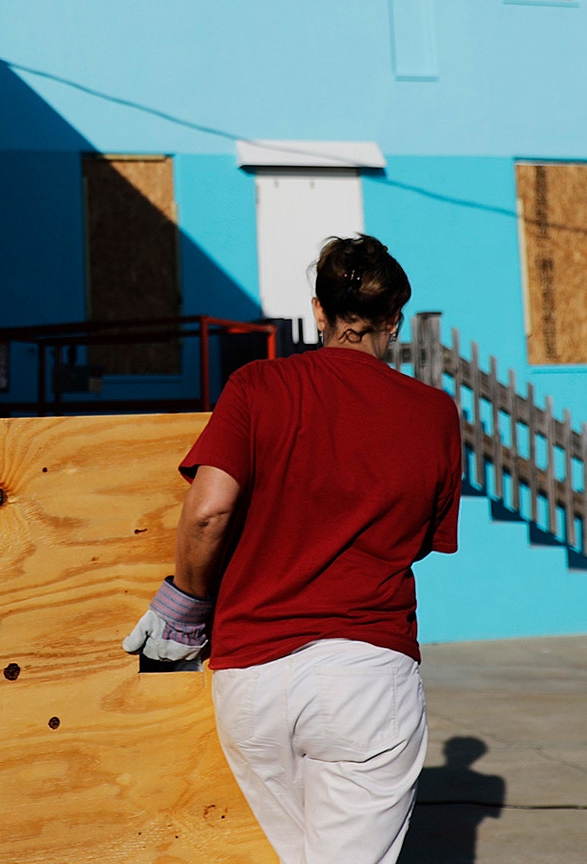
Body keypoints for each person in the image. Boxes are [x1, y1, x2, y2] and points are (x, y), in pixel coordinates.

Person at [122, 234, 462, 864]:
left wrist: (185, 604)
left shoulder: (257, 386)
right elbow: (424, 541)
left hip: (252, 677)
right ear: (395, 320)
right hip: (367, 676)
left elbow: (209, 509)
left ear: (318, 311)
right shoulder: (435, 413)